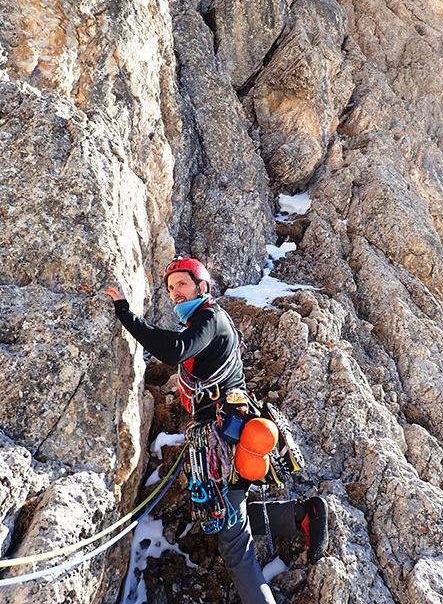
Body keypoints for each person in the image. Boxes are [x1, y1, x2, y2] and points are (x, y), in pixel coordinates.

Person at [105, 257, 328, 604]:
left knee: (233, 542)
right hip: (222, 434)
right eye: (170, 288)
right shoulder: (202, 321)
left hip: (224, 437)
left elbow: (174, 351)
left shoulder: (210, 316)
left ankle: (295, 528)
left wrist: (124, 311)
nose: (175, 292)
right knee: (220, 518)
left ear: (202, 286)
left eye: (182, 284)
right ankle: (299, 515)